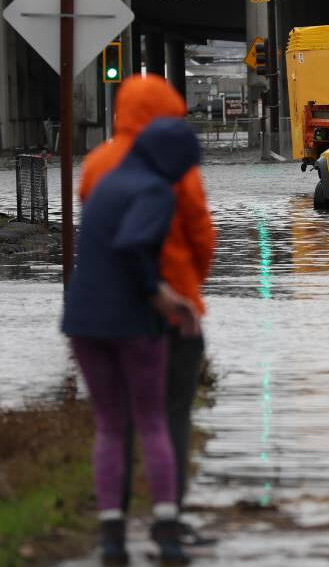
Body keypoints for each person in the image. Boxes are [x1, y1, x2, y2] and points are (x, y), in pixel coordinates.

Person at [80, 75, 216, 546]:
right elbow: (201, 235)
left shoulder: (98, 164)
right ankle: (169, 521)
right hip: (170, 307)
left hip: (105, 308)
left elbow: (95, 233)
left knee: (113, 423)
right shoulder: (174, 168)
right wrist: (188, 289)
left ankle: (113, 527)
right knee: (170, 414)